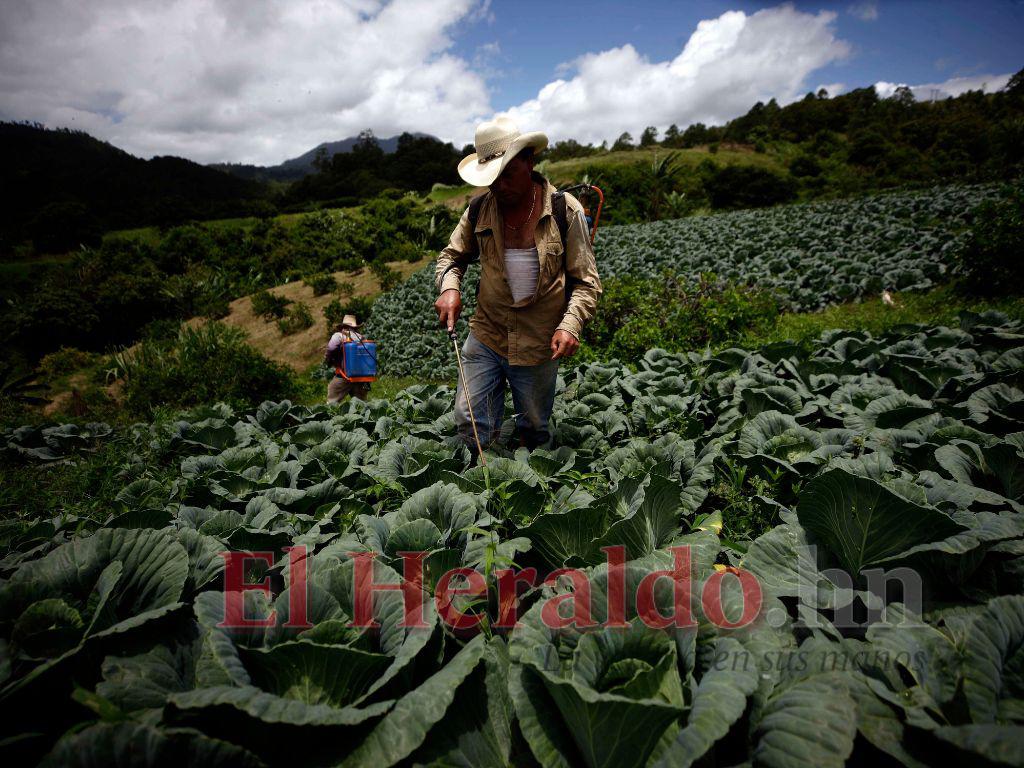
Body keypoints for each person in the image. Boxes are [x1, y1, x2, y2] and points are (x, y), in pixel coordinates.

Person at [434, 117, 602, 453]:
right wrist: (449, 288)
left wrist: (569, 327)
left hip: (537, 342)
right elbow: (451, 257)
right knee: (470, 421)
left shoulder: (562, 211)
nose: (499, 186)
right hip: (487, 333)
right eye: (492, 179)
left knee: (534, 430)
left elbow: (586, 282)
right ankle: (486, 485)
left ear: (529, 161)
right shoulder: (479, 209)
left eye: (506, 174)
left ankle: (537, 487)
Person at [325, 314, 370, 403]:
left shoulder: (338, 335)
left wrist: (328, 359)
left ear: (343, 326)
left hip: (343, 376)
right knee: (361, 405)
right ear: (355, 327)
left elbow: (331, 348)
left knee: (331, 404)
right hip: (360, 378)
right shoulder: (361, 338)